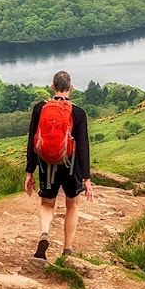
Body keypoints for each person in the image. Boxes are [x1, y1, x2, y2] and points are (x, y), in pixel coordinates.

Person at [25, 70, 94, 259]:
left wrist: (30, 171)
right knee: (72, 204)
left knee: (47, 203)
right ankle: (67, 249)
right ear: (71, 88)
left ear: (53, 86)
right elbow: (83, 146)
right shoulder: (78, 113)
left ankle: (45, 233)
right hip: (71, 166)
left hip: (47, 164)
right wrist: (86, 177)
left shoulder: (40, 108)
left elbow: (32, 139)